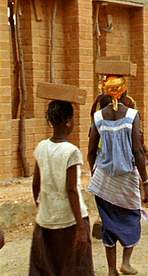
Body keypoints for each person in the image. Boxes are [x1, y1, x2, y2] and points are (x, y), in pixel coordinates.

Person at [88, 76, 148, 276]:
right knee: (132, 218)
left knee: (109, 223)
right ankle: (126, 262)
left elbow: (90, 152)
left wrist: (95, 173)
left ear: (107, 92)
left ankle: (110, 270)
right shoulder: (132, 115)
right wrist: (146, 182)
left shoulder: (98, 117)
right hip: (126, 180)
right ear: (124, 92)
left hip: (104, 181)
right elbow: (137, 151)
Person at [29, 100, 94, 276]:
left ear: (50, 121)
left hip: (46, 220)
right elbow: (71, 190)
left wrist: (43, 209)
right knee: (75, 268)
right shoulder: (71, 152)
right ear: (68, 122)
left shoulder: (41, 147)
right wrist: (81, 228)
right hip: (70, 221)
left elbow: (36, 185)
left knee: (48, 267)